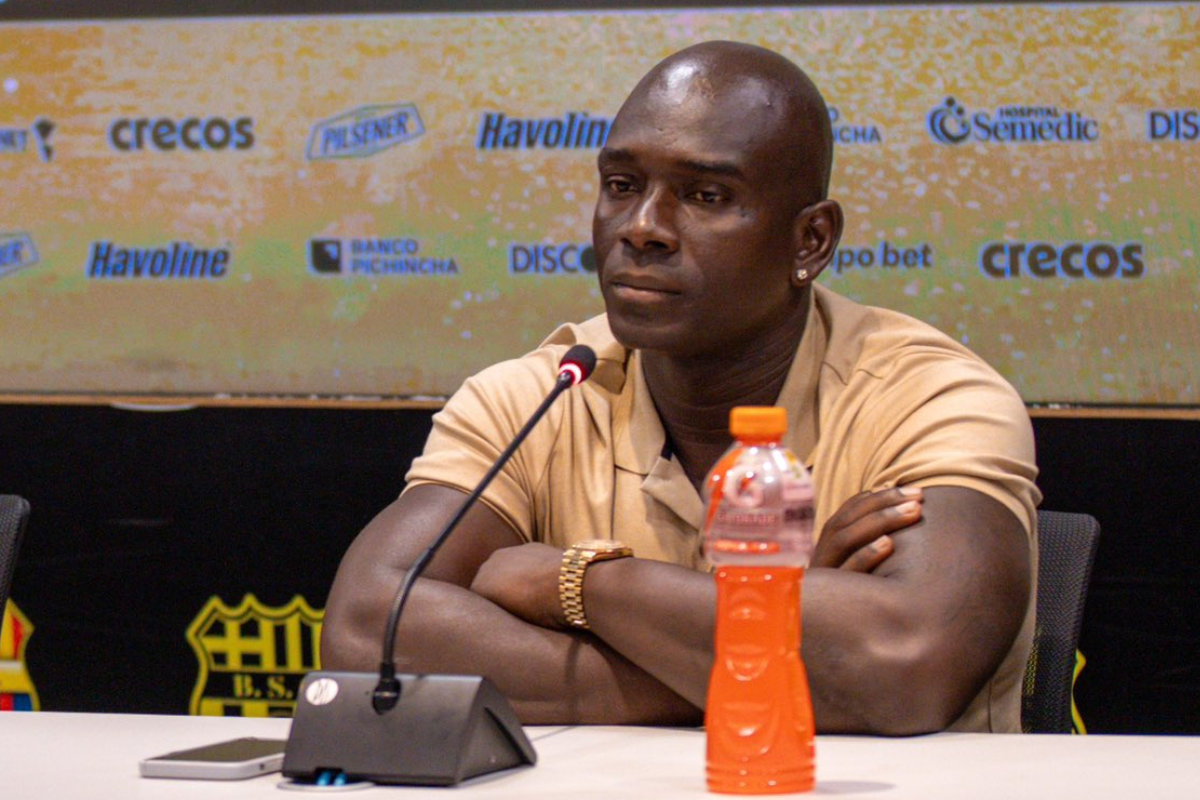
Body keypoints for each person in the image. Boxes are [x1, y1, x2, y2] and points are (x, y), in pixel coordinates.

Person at [322, 40, 1040, 734]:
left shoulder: (930, 397)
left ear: (811, 241)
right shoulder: (540, 394)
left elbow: (904, 665)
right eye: (621, 186)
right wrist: (779, 650)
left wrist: (579, 583)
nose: (642, 228)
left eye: (705, 195)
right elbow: (367, 632)